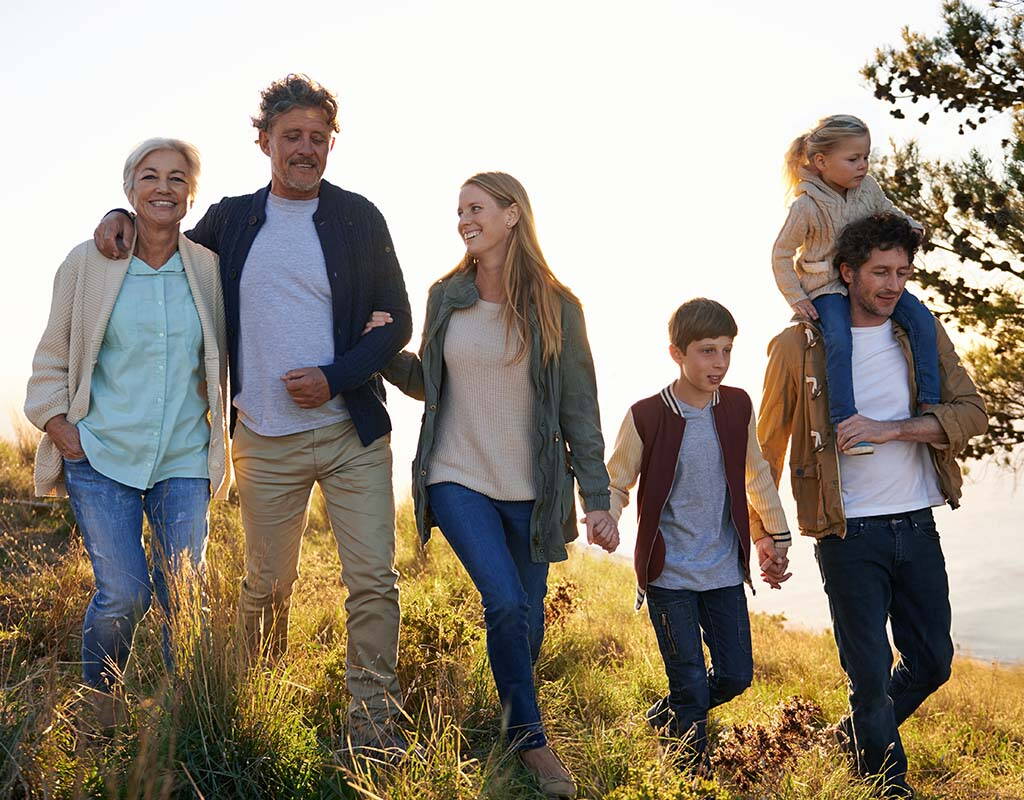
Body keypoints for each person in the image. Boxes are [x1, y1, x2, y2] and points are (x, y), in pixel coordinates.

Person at [91, 75, 413, 753]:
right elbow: (162, 243)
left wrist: (334, 376)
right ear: (264, 140)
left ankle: (372, 726)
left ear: (331, 143)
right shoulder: (232, 220)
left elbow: (398, 324)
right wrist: (117, 219)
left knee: (373, 585)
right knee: (266, 585)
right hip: (263, 440)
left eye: (316, 138)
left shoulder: (359, 217)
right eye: (291, 136)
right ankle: (260, 709)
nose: (304, 149)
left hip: (350, 434)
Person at [378, 172, 616, 799]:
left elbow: (579, 409)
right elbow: (430, 380)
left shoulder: (557, 306)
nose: (464, 219)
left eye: (475, 208)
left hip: (534, 491)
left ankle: (511, 717)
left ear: (513, 216)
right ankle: (532, 742)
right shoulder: (446, 295)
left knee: (527, 622)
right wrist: (378, 349)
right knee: (505, 602)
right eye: (459, 210)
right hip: (457, 474)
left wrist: (598, 501)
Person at [758, 213, 987, 798]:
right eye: (879, 272)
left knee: (933, 661)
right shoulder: (796, 347)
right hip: (846, 533)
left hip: (917, 522)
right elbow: (766, 448)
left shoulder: (920, 334)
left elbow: (972, 413)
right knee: (868, 677)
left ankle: (853, 738)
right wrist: (767, 534)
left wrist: (893, 430)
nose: (892, 285)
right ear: (846, 272)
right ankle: (887, 783)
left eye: (902, 273)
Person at [26, 138, 229, 728]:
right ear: (129, 189)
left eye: (176, 178)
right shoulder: (86, 264)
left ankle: (182, 721)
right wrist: (61, 427)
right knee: (125, 593)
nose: (163, 187)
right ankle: (100, 710)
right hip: (101, 454)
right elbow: (52, 356)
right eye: (149, 176)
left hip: (183, 457)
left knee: (184, 598)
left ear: (192, 193)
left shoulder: (209, 268)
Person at [604, 297, 792, 770]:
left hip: (724, 570)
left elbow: (757, 475)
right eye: (708, 351)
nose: (720, 363)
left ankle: (668, 717)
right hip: (669, 575)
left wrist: (778, 535)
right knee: (688, 680)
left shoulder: (736, 406)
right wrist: (606, 516)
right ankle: (691, 772)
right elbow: (616, 482)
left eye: (727, 350)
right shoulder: (647, 415)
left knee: (735, 675)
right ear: (677, 354)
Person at [772, 114, 940, 455]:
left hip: (867, 281)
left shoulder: (868, 188)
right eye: (853, 159)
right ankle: (846, 422)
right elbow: (780, 255)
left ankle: (929, 404)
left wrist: (911, 225)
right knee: (838, 337)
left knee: (923, 321)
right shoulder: (806, 206)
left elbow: (889, 211)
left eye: (866, 156)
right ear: (821, 161)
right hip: (827, 286)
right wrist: (796, 297)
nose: (863, 165)